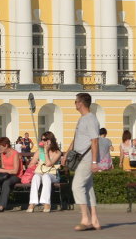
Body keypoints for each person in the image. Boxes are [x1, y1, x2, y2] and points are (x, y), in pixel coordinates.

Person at [69, 92, 101, 231]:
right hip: (79, 156)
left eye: (76, 102)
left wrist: (94, 162)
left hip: (87, 157)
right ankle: (94, 219)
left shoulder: (90, 119)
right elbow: (77, 137)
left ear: (81, 103)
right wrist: (68, 152)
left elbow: (94, 140)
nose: (75, 104)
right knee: (88, 187)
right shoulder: (82, 119)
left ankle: (85, 219)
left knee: (77, 186)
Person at [27, 132, 62, 213]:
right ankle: (32, 202)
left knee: (46, 176)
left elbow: (49, 164)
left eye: (45, 139)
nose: (43, 141)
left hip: (53, 175)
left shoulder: (57, 152)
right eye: (42, 139)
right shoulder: (39, 151)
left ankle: (46, 202)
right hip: (41, 172)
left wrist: (46, 150)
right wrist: (35, 163)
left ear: (50, 140)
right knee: (36, 176)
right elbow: (31, 164)